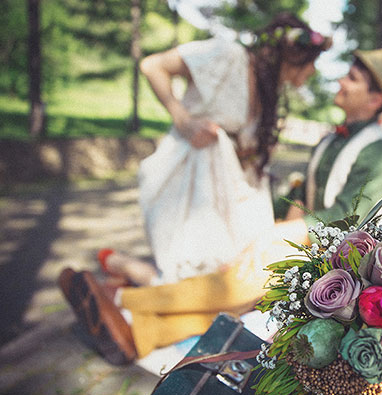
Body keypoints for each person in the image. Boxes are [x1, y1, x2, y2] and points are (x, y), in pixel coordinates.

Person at [58, 13, 330, 365]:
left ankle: (123, 301)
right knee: (219, 279)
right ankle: (125, 306)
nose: (311, 73)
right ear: (291, 54)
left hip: (235, 189)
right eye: (311, 64)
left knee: (235, 284)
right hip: (194, 180)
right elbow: (153, 65)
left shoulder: (269, 87)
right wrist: (182, 118)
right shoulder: (229, 55)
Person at [283, 48, 382, 229]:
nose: (341, 81)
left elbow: (347, 218)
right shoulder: (330, 140)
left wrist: (284, 233)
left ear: (374, 100)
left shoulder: (380, 151)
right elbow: (302, 195)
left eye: (352, 78)